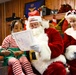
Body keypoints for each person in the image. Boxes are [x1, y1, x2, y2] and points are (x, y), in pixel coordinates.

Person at [64, 10, 76, 75]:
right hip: (72, 55)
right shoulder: (68, 32)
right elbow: (66, 44)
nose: (72, 24)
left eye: (74, 21)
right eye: (70, 22)